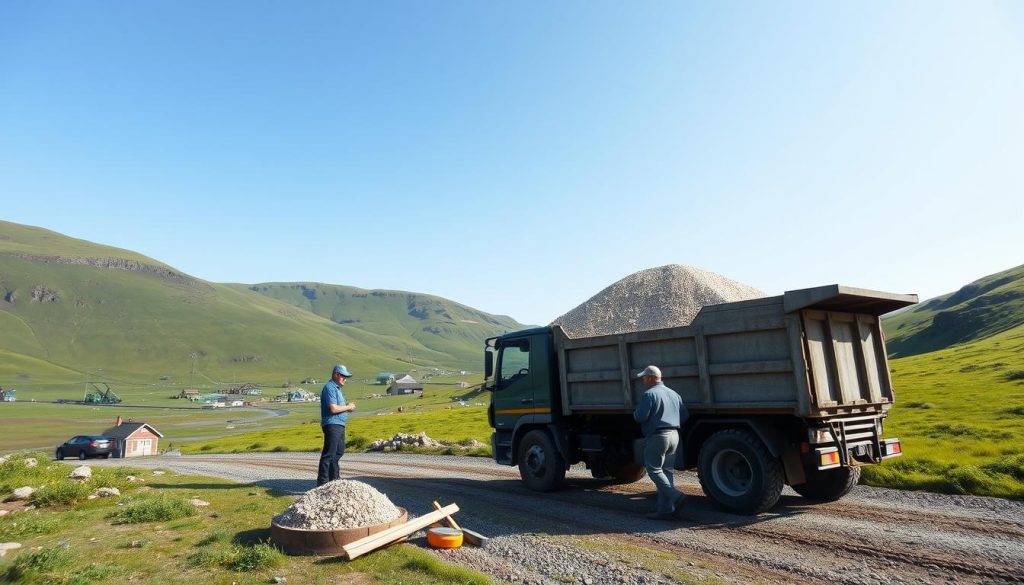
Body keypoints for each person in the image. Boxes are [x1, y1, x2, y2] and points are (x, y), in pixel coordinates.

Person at [633, 364, 688, 520]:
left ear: (650, 378)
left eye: (644, 377)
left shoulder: (649, 394)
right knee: (667, 471)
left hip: (658, 436)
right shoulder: (674, 394)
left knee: (654, 470)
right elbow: (684, 415)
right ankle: (665, 509)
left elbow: (640, 417)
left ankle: (676, 496)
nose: (643, 380)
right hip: (674, 435)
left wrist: (635, 413)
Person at [317, 364, 356, 486]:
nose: (345, 379)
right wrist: (349, 407)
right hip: (332, 424)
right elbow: (333, 409)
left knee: (338, 452)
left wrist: (347, 408)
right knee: (329, 453)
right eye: (343, 376)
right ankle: (322, 483)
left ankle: (334, 480)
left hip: (339, 424)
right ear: (336, 374)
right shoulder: (330, 388)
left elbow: (338, 408)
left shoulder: (337, 389)